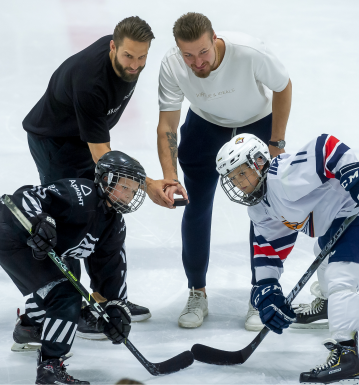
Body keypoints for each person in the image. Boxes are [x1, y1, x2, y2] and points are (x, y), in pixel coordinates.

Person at [22, 16, 173, 334]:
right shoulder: (92, 83)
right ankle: (71, 309)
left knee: (107, 216)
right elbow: (102, 157)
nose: (134, 65)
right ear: (112, 47)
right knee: (70, 222)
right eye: (128, 57)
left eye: (142, 57)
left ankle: (107, 300)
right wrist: (147, 185)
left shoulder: (126, 55)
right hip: (56, 144)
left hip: (82, 139)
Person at [152, 12, 293, 328]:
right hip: (205, 125)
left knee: (263, 209)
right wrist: (170, 176)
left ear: (214, 38)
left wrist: (276, 144)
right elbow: (168, 124)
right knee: (196, 204)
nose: (197, 62)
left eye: (203, 52)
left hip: (257, 123)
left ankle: (262, 291)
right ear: (178, 50)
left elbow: (283, 87)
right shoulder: (173, 64)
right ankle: (196, 291)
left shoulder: (249, 52)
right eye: (188, 55)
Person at [215, 133, 359, 384]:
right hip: (334, 217)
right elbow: (268, 247)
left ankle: (347, 356)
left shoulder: (283, 176)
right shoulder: (259, 207)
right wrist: (266, 289)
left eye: (242, 173)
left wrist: (353, 172)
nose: (238, 183)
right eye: (232, 178)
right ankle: (329, 305)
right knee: (325, 258)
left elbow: (326, 147)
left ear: (259, 161)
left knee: (341, 277)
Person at [0, 151, 148, 385]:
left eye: (134, 191)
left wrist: (115, 307)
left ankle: (30, 328)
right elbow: (24, 197)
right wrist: (38, 220)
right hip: (13, 240)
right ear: (106, 180)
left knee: (60, 292)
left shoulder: (113, 225)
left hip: (41, 253)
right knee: (66, 295)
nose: (130, 195)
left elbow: (111, 268)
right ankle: (50, 369)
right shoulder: (80, 194)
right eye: (125, 187)